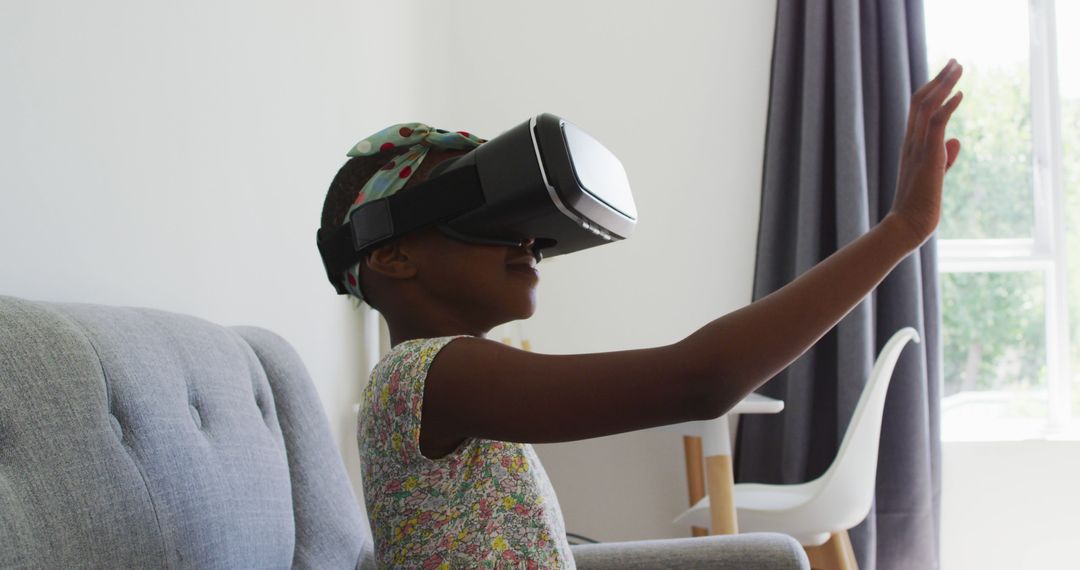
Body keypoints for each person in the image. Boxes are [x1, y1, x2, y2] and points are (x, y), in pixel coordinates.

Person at [320, 59, 965, 568]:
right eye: (488, 218)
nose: (529, 242)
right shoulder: (430, 376)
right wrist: (901, 229)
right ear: (395, 256)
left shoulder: (436, 379)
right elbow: (701, 379)